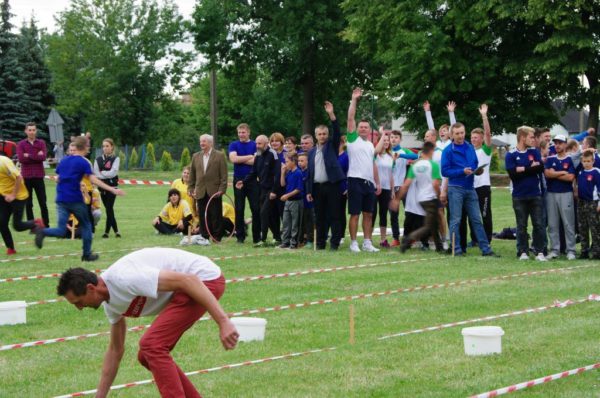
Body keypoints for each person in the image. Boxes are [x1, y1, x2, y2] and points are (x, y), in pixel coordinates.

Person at [56, 248, 238, 398]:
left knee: (152, 345)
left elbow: (189, 280)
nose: (79, 308)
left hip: (205, 280)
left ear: (90, 288)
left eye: (78, 302)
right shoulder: (111, 305)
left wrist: (223, 321)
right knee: (146, 355)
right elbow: (115, 350)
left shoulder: (125, 278)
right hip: (189, 287)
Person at [34, 137, 124, 261]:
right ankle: (86, 254)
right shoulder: (83, 162)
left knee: (60, 230)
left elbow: (59, 178)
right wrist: (112, 189)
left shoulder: (64, 161)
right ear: (85, 147)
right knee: (87, 225)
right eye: (88, 145)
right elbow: (93, 179)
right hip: (75, 199)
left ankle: (43, 232)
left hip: (61, 199)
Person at [441, 122, 497, 256]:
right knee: (456, 220)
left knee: (477, 219)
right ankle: (456, 249)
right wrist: (462, 171)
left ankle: (486, 249)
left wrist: (477, 171)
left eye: (462, 133)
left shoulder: (470, 147)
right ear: (452, 135)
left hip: (470, 188)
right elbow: (445, 171)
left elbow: (475, 164)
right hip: (455, 188)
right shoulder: (448, 150)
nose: (460, 136)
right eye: (457, 133)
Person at [306, 101, 345, 250]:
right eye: (319, 134)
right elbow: (309, 173)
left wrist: (331, 114)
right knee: (320, 217)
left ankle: (334, 243)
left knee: (334, 215)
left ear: (327, 135)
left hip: (332, 186)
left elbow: (336, 129)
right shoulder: (311, 152)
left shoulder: (332, 146)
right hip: (317, 187)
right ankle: (320, 243)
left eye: (324, 134)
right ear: (315, 136)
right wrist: (309, 191)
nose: (322, 136)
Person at [346, 88, 381, 253]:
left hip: (369, 183)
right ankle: (354, 243)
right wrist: (354, 100)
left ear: (369, 130)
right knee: (355, 214)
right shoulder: (352, 140)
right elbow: (351, 117)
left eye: (366, 127)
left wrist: (377, 183)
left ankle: (367, 242)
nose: (363, 129)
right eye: (361, 127)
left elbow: (373, 164)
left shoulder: (370, 145)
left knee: (368, 214)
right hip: (355, 180)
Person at [504, 126, 546, 261]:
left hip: (535, 194)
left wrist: (522, 169)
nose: (534, 140)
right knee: (521, 226)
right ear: (523, 137)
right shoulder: (510, 154)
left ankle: (540, 252)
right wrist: (529, 168)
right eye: (531, 137)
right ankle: (523, 251)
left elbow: (540, 168)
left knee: (538, 224)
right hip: (519, 196)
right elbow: (513, 175)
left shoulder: (534, 152)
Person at [236, 135, 281, 246]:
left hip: (271, 189)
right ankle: (277, 237)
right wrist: (243, 181)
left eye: (259, 144)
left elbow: (277, 174)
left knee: (263, 213)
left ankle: (263, 239)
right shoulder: (258, 155)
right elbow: (253, 172)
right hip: (262, 189)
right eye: (256, 143)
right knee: (268, 215)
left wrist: (274, 191)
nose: (257, 146)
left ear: (266, 144)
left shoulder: (272, 154)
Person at [398, 142, 443, 252]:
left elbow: (406, 184)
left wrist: (396, 199)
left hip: (420, 198)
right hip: (431, 198)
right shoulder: (433, 165)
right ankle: (408, 239)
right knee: (429, 225)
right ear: (432, 151)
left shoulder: (415, 166)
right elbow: (436, 184)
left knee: (433, 224)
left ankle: (439, 248)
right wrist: (439, 196)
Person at [188, 134, 228, 242]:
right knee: (202, 215)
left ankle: (216, 237)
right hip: (200, 190)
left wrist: (222, 190)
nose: (202, 143)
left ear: (210, 143)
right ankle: (204, 236)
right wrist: (190, 188)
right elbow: (192, 174)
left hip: (214, 191)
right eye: (201, 141)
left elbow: (224, 175)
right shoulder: (196, 156)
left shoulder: (219, 155)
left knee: (215, 215)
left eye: (204, 141)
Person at [544, 134, 577, 260]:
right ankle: (554, 250)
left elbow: (570, 177)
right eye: (556, 143)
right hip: (551, 193)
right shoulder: (551, 159)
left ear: (565, 144)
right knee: (552, 223)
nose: (557, 145)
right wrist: (562, 172)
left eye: (560, 143)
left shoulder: (570, 159)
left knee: (568, 223)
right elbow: (547, 174)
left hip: (566, 194)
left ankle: (571, 250)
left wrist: (555, 174)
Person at [0, 155, 40, 255]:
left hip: (18, 196)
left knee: (17, 226)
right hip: (3, 196)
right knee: (2, 223)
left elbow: (18, 177)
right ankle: (11, 248)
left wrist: (13, 195)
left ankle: (36, 223)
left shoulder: (4, 162)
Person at [228, 124, 260, 244]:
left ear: (248, 132)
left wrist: (241, 159)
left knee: (256, 208)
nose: (241, 134)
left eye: (243, 132)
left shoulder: (255, 145)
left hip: (252, 180)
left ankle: (257, 236)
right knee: (239, 208)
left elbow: (256, 162)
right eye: (239, 132)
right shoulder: (234, 145)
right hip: (238, 180)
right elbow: (234, 159)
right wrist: (250, 157)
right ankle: (240, 236)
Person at [17, 122, 50, 227]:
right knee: (28, 203)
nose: (31, 132)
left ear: (36, 131)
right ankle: (31, 225)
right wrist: (36, 155)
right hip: (26, 177)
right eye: (29, 130)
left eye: (33, 130)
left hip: (39, 176)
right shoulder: (21, 144)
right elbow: (22, 159)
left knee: (43, 203)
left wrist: (29, 155)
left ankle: (46, 224)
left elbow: (43, 157)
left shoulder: (41, 143)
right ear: (26, 131)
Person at [469, 104, 494, 244]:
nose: (473, 139)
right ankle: (474, 239)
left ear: (482, 139)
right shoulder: (469, 151)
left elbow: (488, 134)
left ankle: (487, 239)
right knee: (473, 215)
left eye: (476, 137)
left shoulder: (485, 150)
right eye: (472, 137)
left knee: (485, 214)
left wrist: (484, 116)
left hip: (483, 187)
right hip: (470, 187)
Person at [389, 130, 418, 247]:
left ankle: (410, 237)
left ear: (400, 139)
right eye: (391, 137)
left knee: (409, 213)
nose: (393, 139)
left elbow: (416, 156)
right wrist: (394, 162)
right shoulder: (387, 151)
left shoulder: (404, 151)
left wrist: (401, 155)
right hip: (391, 188)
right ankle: (395, 238)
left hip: (404, 187)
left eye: (396, 137)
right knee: (393, 214)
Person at [575, 150, 600, 259]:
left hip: (592, 203)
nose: (586, 163)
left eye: (588, 161)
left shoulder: (596, 172)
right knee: (582, 227)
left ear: (593, 161)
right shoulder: (580, 172)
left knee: (594, 228)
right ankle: (584, 250)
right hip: (581, 202)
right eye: (584, 161)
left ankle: (597, 251)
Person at [93, 138, 121, 238]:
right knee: (109, 209)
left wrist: (103, 173)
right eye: (103, 146)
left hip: (112, 187)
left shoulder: (116, 159)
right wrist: (104, 174)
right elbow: (96, 173)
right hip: (102, 187)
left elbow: (113, 172)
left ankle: (109, 232)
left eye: (107, 146)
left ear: (112, 147)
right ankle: (113, 232)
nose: (105, 148)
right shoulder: (98, 160)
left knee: (109, 208)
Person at [373, 131, 394, 247]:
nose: (386, 142)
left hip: (386, 188)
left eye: (387, 140)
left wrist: (391, 190)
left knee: (383, 214)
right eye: (384, 140)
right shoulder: (375, 155)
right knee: (372, 212)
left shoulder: (390, 157)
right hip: (375, 187)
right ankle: (368, 239)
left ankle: (383, 239)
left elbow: (391, 175)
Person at [279, 152, 303, 249]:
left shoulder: (298, 173)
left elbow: (298, 189)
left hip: (296, 201)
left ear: (293, 161)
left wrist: (287, 195)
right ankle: (285, 241)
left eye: (287, 161)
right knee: (286, 222)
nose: (285, 163)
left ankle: (294, 243)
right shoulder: (289, 172)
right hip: (288, 201)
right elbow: (282, 184)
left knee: (295, 223)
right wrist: (282, 172)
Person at [298, 152, 315, 248]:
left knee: (309, 222)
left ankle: (310, 240)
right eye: (299, 161)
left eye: (302, 161)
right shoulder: (298, 172)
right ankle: (301, 239)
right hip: (300, 202)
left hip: (309, 202)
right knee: (302, 222)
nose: (300, 163)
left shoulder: (310, 172)